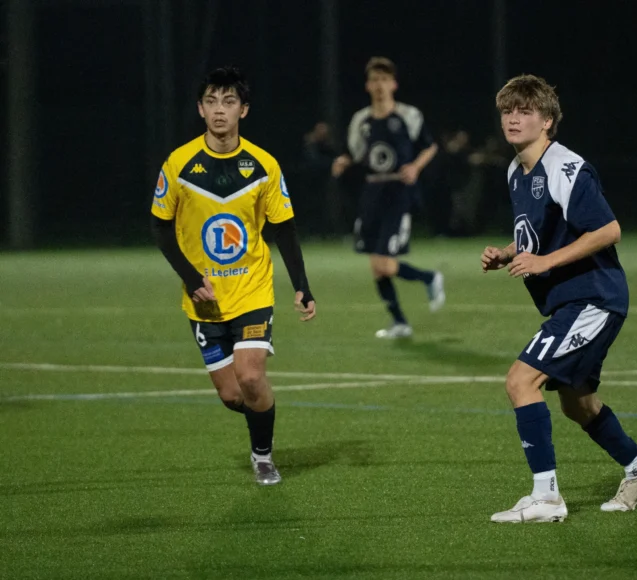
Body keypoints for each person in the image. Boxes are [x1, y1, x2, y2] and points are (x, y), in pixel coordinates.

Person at [481, 74, 637, 523]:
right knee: (577, 403)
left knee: (520, 381)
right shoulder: (516, 170)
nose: (513, 119)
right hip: (570, 301)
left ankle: (546, 497)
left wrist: (545, 262)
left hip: (593, 298)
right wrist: (508, 253)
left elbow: (609, 230)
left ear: (547, 121)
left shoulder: (566, 167)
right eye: (507, 111)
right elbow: (540, 233)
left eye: (524, 111)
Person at [150, 66, 316, 486]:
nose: (219, 110)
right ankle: (263, 411)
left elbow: (284, 228)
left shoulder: (263, 165)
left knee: (251, 376)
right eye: (211, 101)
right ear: (200, 109)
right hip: (204, 298)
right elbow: (160, 228)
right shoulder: (179, 164)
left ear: (244, 110)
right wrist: (191, 279)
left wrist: (302, 285)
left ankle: (263, 456)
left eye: (228, 101)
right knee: (232, 395)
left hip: (252, 290)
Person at [332, 57, 444, 339]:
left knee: (384, 263)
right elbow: (356, 153)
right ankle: (400, 323)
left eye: (384, 79)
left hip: (398, 192)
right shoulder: (361, 120)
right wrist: (344, 161)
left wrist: (415, 167)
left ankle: (430, 278)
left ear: (393, 84)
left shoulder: (408, 115)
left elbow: (430, 146)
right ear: (368, 86)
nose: (380, 85)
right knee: (376, 267)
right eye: (375, 80)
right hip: (372, 192)